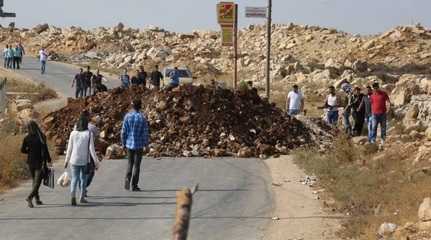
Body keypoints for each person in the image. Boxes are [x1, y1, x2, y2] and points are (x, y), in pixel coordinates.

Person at [64, 115, 100, 206]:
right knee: (83, 178)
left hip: (74, 160)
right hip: (84, 161)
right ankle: (82, 197)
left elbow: (69, 148)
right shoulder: (89, 134)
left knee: (75, 178)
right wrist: (96, 162)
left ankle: (73, 195)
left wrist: (66, 160)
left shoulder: (73, 133)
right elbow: (92, 150)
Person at [21, 121, 52, 208]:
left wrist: (29, 151)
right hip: (40, 162)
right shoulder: (42, 137)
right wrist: (49, 159)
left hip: (31, 162)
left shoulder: (26, 138)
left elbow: (22, 150)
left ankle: (36, 199)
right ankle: (30, 197)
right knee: (37, 182)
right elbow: (45, 150)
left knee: (35, 181)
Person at [121, 99, 150, 192]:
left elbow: (123, 131)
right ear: (140, 106)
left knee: (130, 163)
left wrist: (123, 143)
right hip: (139, 144)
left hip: (129, 144)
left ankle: (127, 178)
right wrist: (146, 144)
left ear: (132, 106)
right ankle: (134, 185)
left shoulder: (127, 116)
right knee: (137, 165)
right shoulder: (142, 118)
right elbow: (145, 133)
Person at [74, 111, 101, 197]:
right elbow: (97, 141)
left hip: (77, 153)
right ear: (88, 117)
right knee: (90, 171)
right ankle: (83, 187)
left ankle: (81, 188)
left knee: (80, 173)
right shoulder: (93, 128)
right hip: (88, 154)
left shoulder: (75, 126)